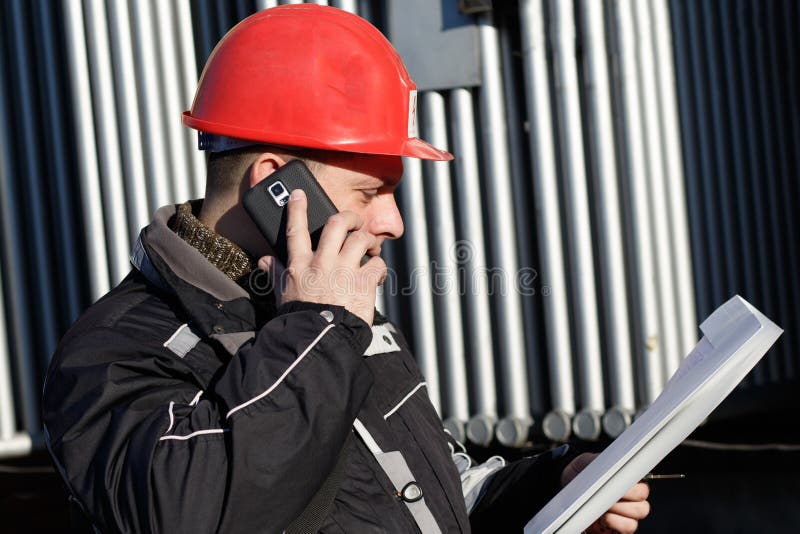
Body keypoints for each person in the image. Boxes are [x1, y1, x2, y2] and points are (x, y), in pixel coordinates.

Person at [43, 5, 649, 533]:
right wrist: (314, 328)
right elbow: (199, 512)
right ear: (277, 187)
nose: (394, 222)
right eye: (369, 192)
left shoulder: (331, 313)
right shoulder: (114, 353)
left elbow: (422, 495)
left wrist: (553, 490)